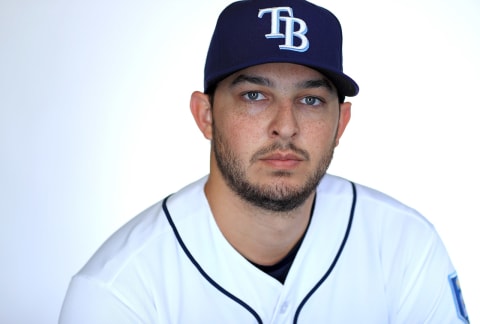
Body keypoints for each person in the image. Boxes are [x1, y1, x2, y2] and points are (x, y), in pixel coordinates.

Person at [59, 0, 469, 323]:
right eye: (255, 96)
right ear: (205, 115)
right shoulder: (119, 291)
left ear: (340, 123)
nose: (285, 127)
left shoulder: (404, 247)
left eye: (310, 100)